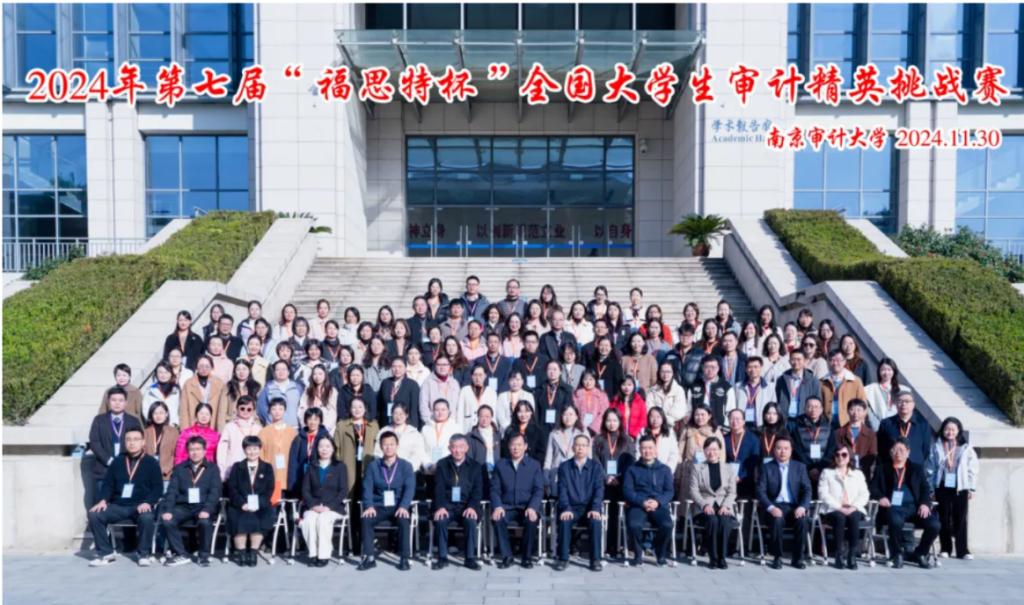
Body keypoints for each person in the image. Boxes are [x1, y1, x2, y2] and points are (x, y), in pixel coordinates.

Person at [87, 426, 162, 567]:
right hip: (118, 506)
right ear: (124, 442)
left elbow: (158, 488)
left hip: (140, 505)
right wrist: (103, 500)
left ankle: (143, 554)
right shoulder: (118, 461)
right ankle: (106, 553)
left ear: (143, 442)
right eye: (128, 439)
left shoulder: (151, 462)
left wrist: (148, 502)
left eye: (136, 439)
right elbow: (108, 485)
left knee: (147, 518)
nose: (132, 443)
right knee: (94, 515)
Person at [870, 438, 940, 569]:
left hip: (915, 508)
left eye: (901, 450)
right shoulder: (882, 468)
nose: (898, 453)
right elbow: (873, 488)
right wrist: (881, 497)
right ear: (890, 452)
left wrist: (925, 503)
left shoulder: (916, 469)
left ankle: (920, 553)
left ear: (908, 452)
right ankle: (897, 554)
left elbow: (925, 489)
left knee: (934, 525)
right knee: (895, 521)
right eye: (895, 450)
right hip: (892, 508)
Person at [159, 435, 223, 567]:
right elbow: (172, 491)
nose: (195, 452)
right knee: (168, 520)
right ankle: (181, 554)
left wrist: (207, 509)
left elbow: (215, 492)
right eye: (192, 449)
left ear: (204, 451)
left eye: (198, 449)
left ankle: (203, 556)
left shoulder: (212, 468)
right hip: (184, 506)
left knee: (205, 522)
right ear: (187, 452)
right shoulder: (180, 468)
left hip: (203, 506)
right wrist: (168, 510)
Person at [358, 431, 416, 571]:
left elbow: (409, 489)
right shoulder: (373, 466)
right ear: (381, 446)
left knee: (404, 521)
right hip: (379, 505)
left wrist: (404, 506)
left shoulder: (406, 466)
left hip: (398, 506)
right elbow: (367, 487)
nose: (389, 447)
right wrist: (369, 506)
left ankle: (404, 558)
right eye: (385, 445)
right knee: (366, 520)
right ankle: (369, 557)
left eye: (392, 444)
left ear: (397, 446)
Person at [755, 435, 812, 570]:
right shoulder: (766, 468)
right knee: (777, 520)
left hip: (794, 507)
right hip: (775, 506)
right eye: (779, 448)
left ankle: (797, 558)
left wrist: (803, 506)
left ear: (791, 450)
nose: (782, 451)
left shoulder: (800, 467)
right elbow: (760, 491)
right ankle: (777, 557)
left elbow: (807, 490)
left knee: (803, 520)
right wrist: (771, 507)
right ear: (774, 450)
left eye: (786, 448)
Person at [490, 433, 545, 569]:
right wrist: (497, 506)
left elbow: (538, 490)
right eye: (513, 445)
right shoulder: (501, 465)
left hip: (526, 507)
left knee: (531, 520)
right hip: (506, 507)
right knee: (497, 519)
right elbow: (494, 489)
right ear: (508, 446)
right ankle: (507, 556)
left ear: (525, 446)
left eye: (519, 445)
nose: (516, 448)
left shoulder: (534, 465)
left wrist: (533, 507)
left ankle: (526, 557)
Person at [927, 417, 979, 560]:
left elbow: (972, 469)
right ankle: (945, 548)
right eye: (947, 429)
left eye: (953, 429)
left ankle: (963, 550)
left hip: (960, 487)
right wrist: (931, 489)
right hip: (942, 486)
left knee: (960, 518)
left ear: (958, 431)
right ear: (942, 430)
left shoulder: (966, 448)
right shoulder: (936, 446)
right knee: (943, 517)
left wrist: (971, 488)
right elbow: (930, 469)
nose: (949, 432)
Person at [553, 434, 605, 572]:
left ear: (588, 448)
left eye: (583, 445)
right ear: (573, 447)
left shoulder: (596, 467)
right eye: (577, 445)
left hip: (589, 507)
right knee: (564, 520)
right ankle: (563, 558)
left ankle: (595, 559)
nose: (580, 448)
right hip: (571, 507)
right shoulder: (565, 467)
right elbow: (562, 490)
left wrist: (595, 508)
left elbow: (599, 490)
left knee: (595, 521)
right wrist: (566, 508)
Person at [431, 434, 484, 570]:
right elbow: (438, 488)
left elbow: (477, 491)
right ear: (449, 448)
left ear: (467, 448)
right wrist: (441, 507)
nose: (458, 450)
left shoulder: (476, 466)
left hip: (466, 505)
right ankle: (442, 557)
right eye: (454, 447)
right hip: (447, 506)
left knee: (470, 521)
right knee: (441, 520)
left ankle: (470, 558)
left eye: (461, 447)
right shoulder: (442, 464)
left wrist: (472, 507)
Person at [623, 434, 674, 566]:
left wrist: (657, 502)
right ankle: (638, 554)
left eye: (650, 448)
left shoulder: (664, 469)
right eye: (644, 448)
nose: (647, 451)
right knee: (634, 525)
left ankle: (660, 553)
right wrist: (642, 502)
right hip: (638, 505)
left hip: (658, 505)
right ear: (639, 450)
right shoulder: (632, 469)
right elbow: (628, 491)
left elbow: (669, 491)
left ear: (655, 449)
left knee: (667, 525)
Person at [688, 437, 738, 569]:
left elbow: (732, 492)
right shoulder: (697, 468)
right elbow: (693, 490)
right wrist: (704, 504)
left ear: (720, 450)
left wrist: (726, 505)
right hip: (704, 506)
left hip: (723, 505)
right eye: (708, 449)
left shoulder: (728, 468)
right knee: (713, 521)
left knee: (725, 522)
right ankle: (713, 558)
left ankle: (722, 557)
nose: (712, 453)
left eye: (715, 449)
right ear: (704, 451)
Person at [225, 435, 275, 567]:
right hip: (240, 504)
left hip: (260, 505)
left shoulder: (267, 467)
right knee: (237, 518)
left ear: (260, 449)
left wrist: (259, 503)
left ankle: (253, 552)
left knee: (261, 517)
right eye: (249, 449)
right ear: (244, 450)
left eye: (255, 448)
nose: (252, 452)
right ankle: (241, 553)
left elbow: (269, 489)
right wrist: (242, 504)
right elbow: (232, 488)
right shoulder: (237, 467)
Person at [817, 444, 869, 569]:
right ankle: (839, 555)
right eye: (837, 454)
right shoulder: (827, 473)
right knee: (839, 518)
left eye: (844, 454)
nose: (840, 457)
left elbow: (864, 494)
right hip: (833, 509)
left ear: (849, 456)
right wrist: (839, 507)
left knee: (854, 517)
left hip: (853, 508)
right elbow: (823, 494)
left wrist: (853, 507)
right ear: (834, 457)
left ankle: (852, 556)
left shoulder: (858, 474)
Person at [300, 435, 349, 566]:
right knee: (309, 520)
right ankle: (313, 554)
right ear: (317, 449)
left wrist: (329, 507)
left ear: (333, 449)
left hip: (333, 507)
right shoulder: (311, 467)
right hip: (314, 506)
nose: (324, 449)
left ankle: (323, 555)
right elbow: (305, 490)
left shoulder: (340, 467)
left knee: (323, 519)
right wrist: (313, 505)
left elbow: (343, 490)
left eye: (328, 446)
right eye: (321, 446)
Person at [89, 387, 145, 501]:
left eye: (120, 400)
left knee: (124, 504)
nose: (117, 403)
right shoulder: (99, 420)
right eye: (113, 400)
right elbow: (95, 443)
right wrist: (108, 460)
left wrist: (124, 462)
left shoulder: (133, 421)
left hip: (127, 469)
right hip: (104, 470)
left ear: (125, 402)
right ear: (108, 401)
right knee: (102, 504)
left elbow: (137, 442)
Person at [592, 408, 634, 558]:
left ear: (620, 422)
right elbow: (595, 461)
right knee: (606, 514)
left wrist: (619, 478)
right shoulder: (598, 439)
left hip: (621, 483)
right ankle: (604, 545)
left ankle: (618, 546)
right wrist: (606, 477)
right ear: (604, 421)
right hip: (603, 483)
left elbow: (630, 462)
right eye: (608, 420)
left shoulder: (627, 440)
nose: (611, 423)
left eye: (615, 420)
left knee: (618, 514)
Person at [788, 396, 834, 497]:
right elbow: (797, 450)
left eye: (816, 407)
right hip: (804, 470)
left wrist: (819, 468)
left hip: (823, 470)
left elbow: (831, 450)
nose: (813, 409)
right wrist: (810, 468)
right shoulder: (796, 427)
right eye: (810, 406)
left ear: (821, 409)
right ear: (804, 408)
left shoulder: (829, 427)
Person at [257, 398, 298, 505]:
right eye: (274, 409)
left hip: (288, 474)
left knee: (289, 506)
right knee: (274, 504)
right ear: (269, 411)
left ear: (285, 411)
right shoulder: (264, 432)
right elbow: (261, 455)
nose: (277, 412)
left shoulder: (292, 432)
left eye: (280, 409)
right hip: (272, 474)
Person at [877, 392, 933, 467]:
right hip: (891, 468)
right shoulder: (886, 424)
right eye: (900, 401)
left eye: (907, 401)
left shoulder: (923, 425)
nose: (903, 404)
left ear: (913, 405)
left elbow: (926, 450)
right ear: (896, 404)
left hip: (915, 468)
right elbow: (881, 448)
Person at [217, 395, 263, 480]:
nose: (245, 411)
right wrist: (222, 470)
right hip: (232, 469)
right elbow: (222, 450)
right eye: (242, 408)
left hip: (253, 471)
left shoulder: (258, 428)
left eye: (249, 409)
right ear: (237, 409)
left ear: (253, 411)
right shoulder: (229, 427)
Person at [287, 408, 332, 495]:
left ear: (320, 421)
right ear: (305, 420)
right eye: (310, 419)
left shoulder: (326, 437)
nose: (312, 422)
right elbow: (293, 461)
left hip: (320, 476)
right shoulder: (299, 438)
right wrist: (292, 483)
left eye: (316, 419)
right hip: (302, 475)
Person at [820, 349, 868, 428]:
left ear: (844, 361)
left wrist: (861, 421)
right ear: (828, 362)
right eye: (832, 360)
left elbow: (863, 403)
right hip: (827, 424)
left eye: (838, 360)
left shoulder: (855, 381)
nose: (835, 363)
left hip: (848, 422)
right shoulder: (822, 382)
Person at [374, 403, 426, 472]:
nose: (398, 417)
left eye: (401, 414)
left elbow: (417, 454)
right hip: (386, 471)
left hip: (407, 471)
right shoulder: (384, 431)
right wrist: (386, 466)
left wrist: (406, 468)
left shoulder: (414, 433)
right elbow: (378, 452)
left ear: (406, 415)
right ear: (391, 414)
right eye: (395, 413)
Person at [180, 356, 229, 430]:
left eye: (207, 366)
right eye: (201, 366)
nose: (204, 369)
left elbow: (222, 409)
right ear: (196, 367)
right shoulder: (188, 384)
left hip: (213, 425)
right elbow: (184, 410)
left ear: (212, 367)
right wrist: (185, 430)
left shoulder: (219, 384)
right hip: (193, 426)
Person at [834, 398, 878, 480]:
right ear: (847, 411)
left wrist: (860, 467)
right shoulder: (838, 433)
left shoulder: (871, 434)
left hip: (863, 474)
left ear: (864, 412)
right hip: (843, 473)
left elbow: (872, 455)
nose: (855, 413)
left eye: (859, 410)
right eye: (852, 409)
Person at [545, 404, 586, 488]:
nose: (568, 417)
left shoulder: (581, 434)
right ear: (561, 416)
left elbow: (587, 457)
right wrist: (546, 474)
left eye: (571, 414)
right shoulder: (553, 434)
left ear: (576, 417)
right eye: (565, 414)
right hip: (556, 473)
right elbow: (548, 457)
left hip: (576, 473)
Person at [687, 355, 735, 426]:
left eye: (713, 367)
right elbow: (688, 409)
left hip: (718, 427)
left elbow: (731, 411)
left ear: (718, 368)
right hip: (697, 426)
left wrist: (726, 426)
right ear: (702, 368)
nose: (710, 370)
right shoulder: (694, 386)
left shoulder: (726, 387)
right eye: (707, 367)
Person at [775, 349, 822, 421]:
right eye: (793, 359)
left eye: (799, 359)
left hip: (805, 419)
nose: (796, 362)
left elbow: (818, 402)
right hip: (785, 419)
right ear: (789, 361)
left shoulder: (813, 381)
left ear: (804, 361)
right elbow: (777, 399)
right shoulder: (782, 380)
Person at [723, 408, 760, 499]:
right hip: (727, 481)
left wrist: (740, 476)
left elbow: (754, 462)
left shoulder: (753, 439)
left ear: (743, 421)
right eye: (732, 418)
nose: (734, 421)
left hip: (746, 481)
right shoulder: (724, 439)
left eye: (738, 419)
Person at [728, 356, 771, 429]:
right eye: (750, 367)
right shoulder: (738, 387)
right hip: (741, 425)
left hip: (761, 424)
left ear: (761, 368)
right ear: (746, 369)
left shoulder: (769, 387)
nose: (753, 370)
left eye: (756, 367)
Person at [257, 360, 304, 425]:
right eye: (278, 369)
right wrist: (269, 420)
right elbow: (261, 409)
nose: (281, 372)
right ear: (273, 373)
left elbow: (302, 407)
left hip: (294, 427)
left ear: (288, 372)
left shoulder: (297, 387)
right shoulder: (267, 388)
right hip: (273, 427)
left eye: (284, 369)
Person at [864, 358, 906, 430]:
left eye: (889, 370)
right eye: (883, 370)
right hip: (877, 428)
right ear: (879, 371)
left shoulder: (902, 390)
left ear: (894, 371)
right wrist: (877, 427)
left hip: (897, 427)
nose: (886, 373)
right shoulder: (870, 389)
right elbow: (869, 412)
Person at [422, 399, 462, 476]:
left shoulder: (456, 428)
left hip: (449, 468)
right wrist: (427, 464)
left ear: (448, 411)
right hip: (429, 469)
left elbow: (458, 449)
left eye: (443, 410)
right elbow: (421, 449)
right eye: (437, 410)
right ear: (433, 411)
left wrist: (444, 464)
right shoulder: (425, 428)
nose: (440, 413)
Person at [143, 401, 179, 485]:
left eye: (161, 413)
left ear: (166, 414)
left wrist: (165, 469)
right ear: (151, 415)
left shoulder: (174, 432)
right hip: (148, 473)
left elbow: (175, 454)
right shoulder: (146, 432)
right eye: (155, 413)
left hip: (167, 474)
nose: (158, 416)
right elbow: (143, 452)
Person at [297, 365, 338, 435]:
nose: (317, 376)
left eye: (320, 374)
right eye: (314, 374)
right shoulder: (308, 391)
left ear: (325, 375)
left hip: (327, 430)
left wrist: (324, 429)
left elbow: (333, 412)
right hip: (309, 429)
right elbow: (302, 409)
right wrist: (306, 426)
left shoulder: (332, 391)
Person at [419, 357, 460, 426]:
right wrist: (430, 422)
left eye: (445, 365)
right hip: (433, 424)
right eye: (439, 365)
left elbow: (458, 406)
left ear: (449, 367)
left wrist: (453, 422)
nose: (442, 367)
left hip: (451, 424)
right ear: (435, 366)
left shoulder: (454, 383)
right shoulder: (427, 383)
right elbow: (423, 405)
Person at [646, 362, 689, 428]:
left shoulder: (679, 390)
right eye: (663, 371)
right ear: (659, 373)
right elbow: (649, 407)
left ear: (673, 373)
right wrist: (656, 419)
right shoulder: (652, 390)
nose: (665, 374)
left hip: (672, 425)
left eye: (668, 371)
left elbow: (680, 410)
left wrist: (663, 419)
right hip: (654, 424)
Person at [538, 360, 574, 437]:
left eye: (555, 369)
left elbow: (567, 409)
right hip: (542, 428)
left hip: (560, 427)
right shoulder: (539, 389)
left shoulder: (567, 389)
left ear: (560, 372)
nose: (552, 372)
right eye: (549, 369)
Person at [456, 366, 498, 432]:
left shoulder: (491, 392)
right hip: (468, 428)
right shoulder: (465, 390)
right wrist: (459, 430)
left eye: (480, 375)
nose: (477, 378)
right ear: (471, 376)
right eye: (475, 375)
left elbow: (494, 414)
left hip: (485, 428)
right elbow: (460, 412)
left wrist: (494, 428)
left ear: (485, 376)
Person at [664, 323, 704, 389]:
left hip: (693, 390)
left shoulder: (701, 354)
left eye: (688, 336)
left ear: (693, 336)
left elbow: (703, 374)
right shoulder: (670, 354)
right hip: (674, 389)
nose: (685, 338)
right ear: (679, 335)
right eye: (683, 335)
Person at [143, 361, 182, 427]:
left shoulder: (177, 390)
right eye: (160, 372)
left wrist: (176, 423)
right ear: (156, 374)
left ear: (171, 373)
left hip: (172, 426)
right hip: (154, 425)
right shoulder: (150, 390)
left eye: (166, 372)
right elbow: (145, 409)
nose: (163, 375)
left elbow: (181, 409)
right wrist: (152, 422)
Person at [573, 371, 610, 435]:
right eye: (585, 379)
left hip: (597, 430)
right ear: (582, 380)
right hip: (579, 429)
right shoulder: (576, 395)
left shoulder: (602, 395)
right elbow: (574, 412)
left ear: (595, 380)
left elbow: (604, 413)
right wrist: (579, 425)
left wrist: (593, 428)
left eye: (591, 379)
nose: (588, 382)